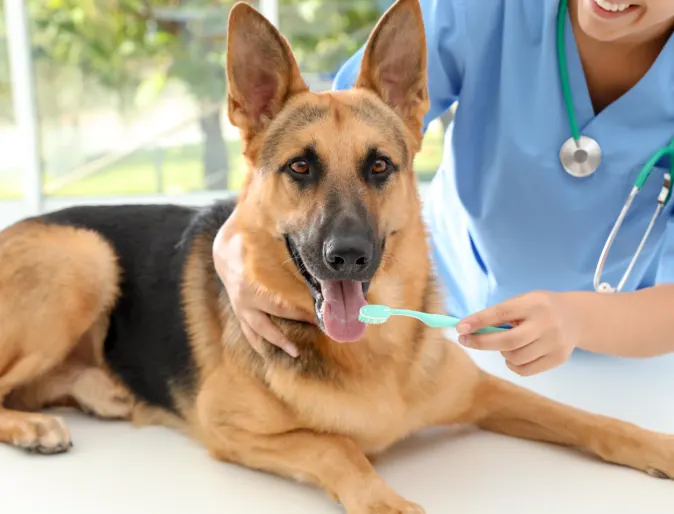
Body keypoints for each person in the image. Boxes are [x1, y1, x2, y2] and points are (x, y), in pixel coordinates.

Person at [213, 0, 674, 376]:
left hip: (629, 352)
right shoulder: (483, 9)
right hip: (442, 321)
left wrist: (579, 320)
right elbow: (331, 132)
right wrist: (232, 246)